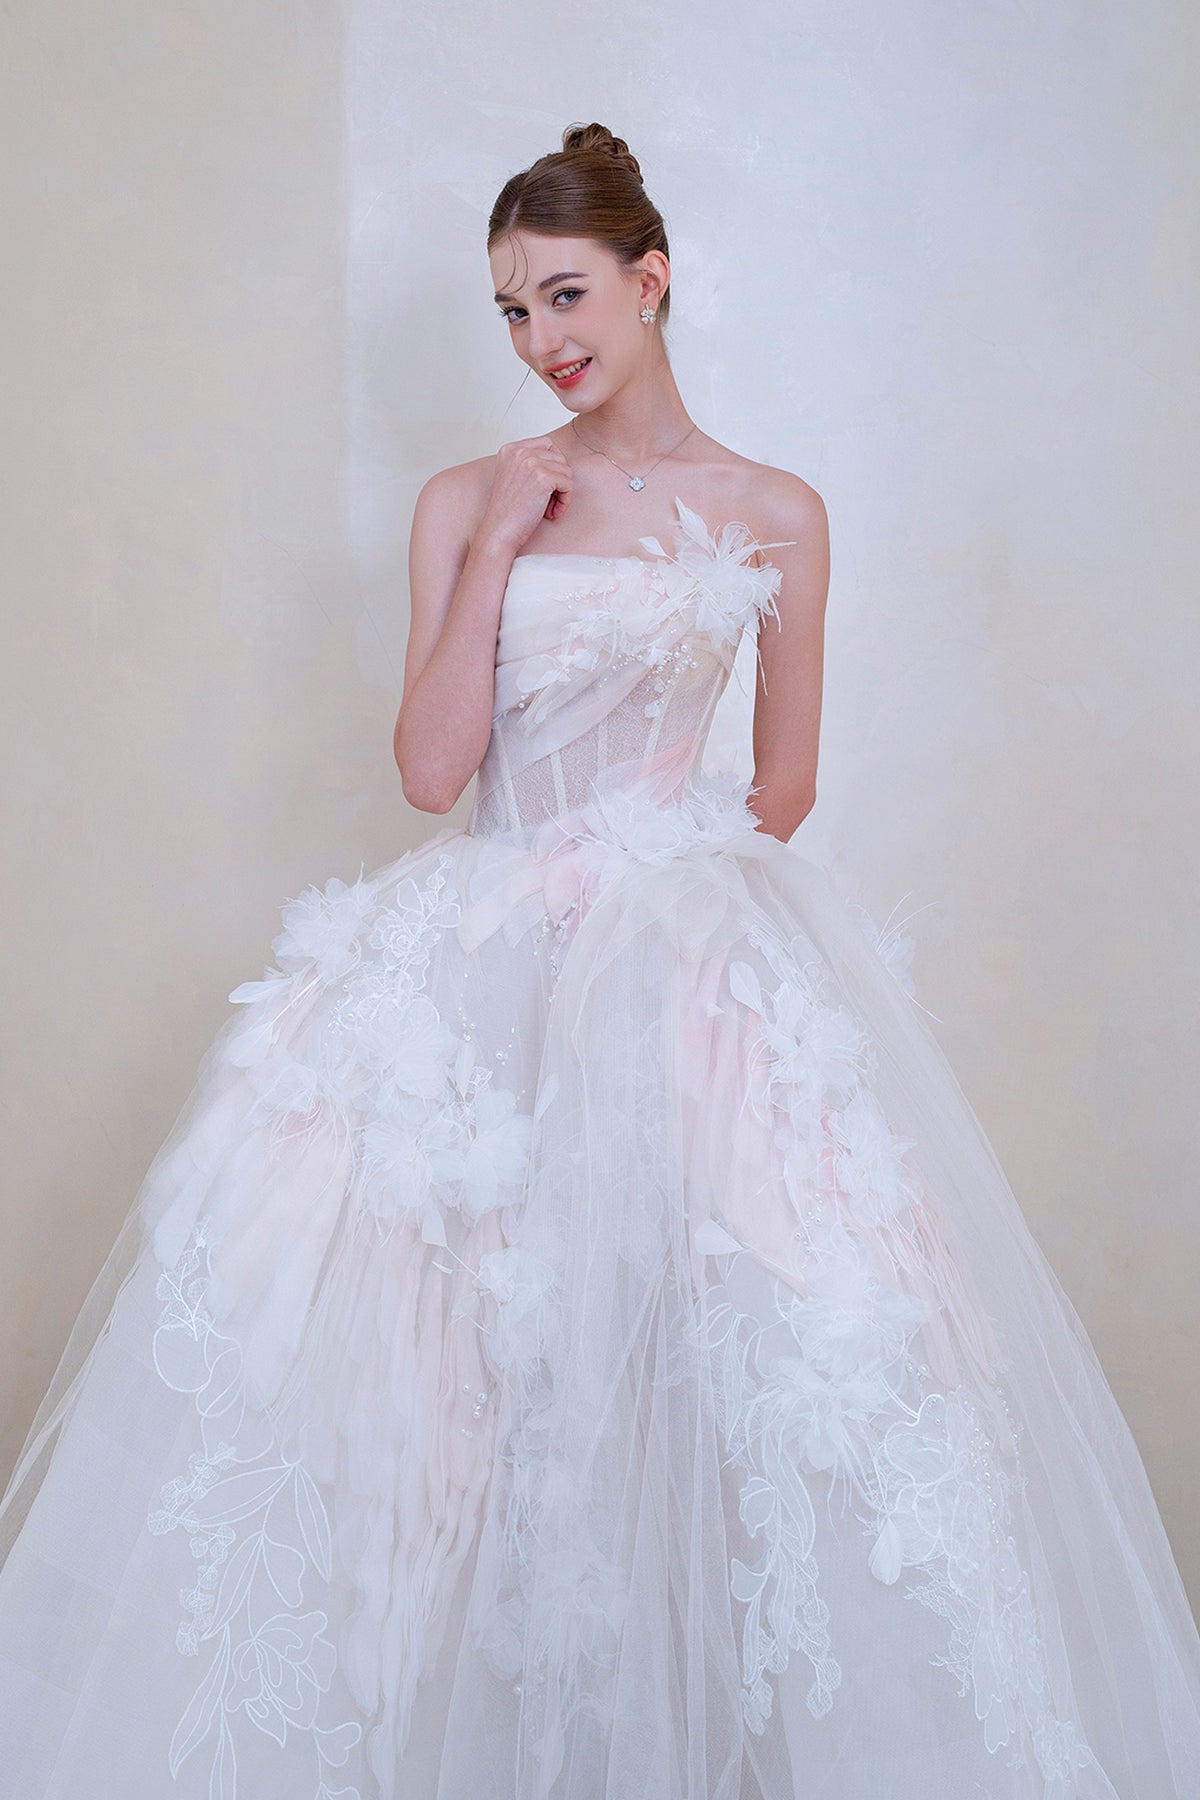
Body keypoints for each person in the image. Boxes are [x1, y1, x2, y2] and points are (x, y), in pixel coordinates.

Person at [0, 119, 1197, 1800]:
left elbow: (783, 786)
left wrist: (663, 912)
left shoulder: (776, 511)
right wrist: (503, 543)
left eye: (564, 295)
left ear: (651, 279)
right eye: (509, 309)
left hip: (671, 959)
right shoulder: (466, 498)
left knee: (785, 1342)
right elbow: (431, 772)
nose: (539, 339)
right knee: (408, 1381)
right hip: (470, 975)